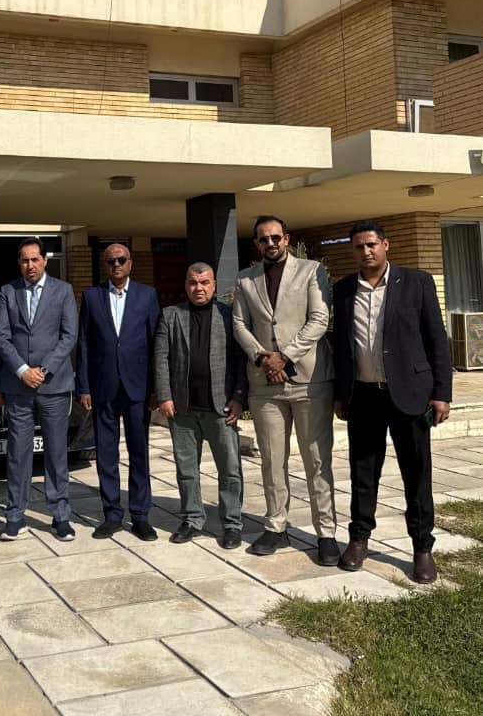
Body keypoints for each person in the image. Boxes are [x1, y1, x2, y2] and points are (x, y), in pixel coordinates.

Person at [333, 220, 451, 584]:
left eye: (371, 244)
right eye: (359, 246)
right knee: (363, 472)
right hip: (364, 395)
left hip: (410, 394)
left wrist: (442, 392)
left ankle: (422, 547)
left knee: (416, 473)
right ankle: (359, 539)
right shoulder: (343, 289)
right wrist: (340, 393)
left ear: (386, 245)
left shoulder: (417, 283)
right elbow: (341, 346)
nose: (366, 251)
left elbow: (436, 338)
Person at [233, 215, 339, 566]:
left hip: (309, 381)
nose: (271, 243)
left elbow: (319, 319)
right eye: (264, 239)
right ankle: (276, 526)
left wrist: (286, 356)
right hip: (265, 384)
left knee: (317, 460)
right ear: (257, 243)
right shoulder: (245, 279)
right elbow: (239, 324)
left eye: (276, 237)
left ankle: (326, 532)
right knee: (271, 460)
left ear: (287, 238)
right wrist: (264, 357)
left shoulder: (311, 271)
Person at [153, 262, 247, 548]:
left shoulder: (228, 316)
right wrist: (165, 396)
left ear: (214, 285)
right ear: (186, 285)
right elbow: (161, 359)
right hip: (183, 409)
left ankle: (231, 523)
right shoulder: (171, 315)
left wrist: (239, 398)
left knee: (230, 469)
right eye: (193, 282)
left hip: (221, 408)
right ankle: (192, 519)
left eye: (205, 282)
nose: (199, 288)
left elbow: (240, 360)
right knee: (186, 470)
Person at [0, 237, 78, 541]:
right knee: (18, 453)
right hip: (18, 387)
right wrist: (22, 371)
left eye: (35, 259)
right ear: (19, 263)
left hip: (53, 385)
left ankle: (60, 516)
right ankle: (15, 515)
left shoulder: (63, 291)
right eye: (24, 260)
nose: (30, 265)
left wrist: (43, 370)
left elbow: (69, 336)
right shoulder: (7, 292)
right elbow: (1, 337)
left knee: (56, 453)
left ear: (45, 260)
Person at [76, 243, 160, 541]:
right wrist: (84, 386)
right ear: (105, 265)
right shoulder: (92, 296)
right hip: (104, 387)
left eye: (121, 260)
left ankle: (140, 516)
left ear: (130, 263)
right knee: (106, 454)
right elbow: (84, 343)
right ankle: (112, 514)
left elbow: (156, 343)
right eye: (111, 261)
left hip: (138, 387)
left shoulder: (147, 295)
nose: (116, 265)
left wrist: (157, 387)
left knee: (139, 453)